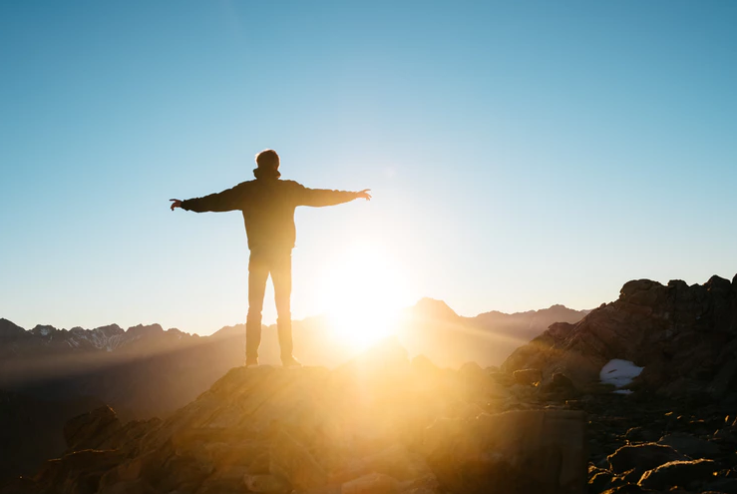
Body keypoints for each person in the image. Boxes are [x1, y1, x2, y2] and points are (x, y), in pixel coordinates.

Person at [170, 149, 371, 368]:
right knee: (283, 308)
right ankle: (287, 358)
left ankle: (251, 359)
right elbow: (321, 196)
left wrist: (185, 204)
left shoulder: (247, 190)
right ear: (277, 166)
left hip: (258, 256)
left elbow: (215, 201)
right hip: (282, 256)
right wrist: (353, 195)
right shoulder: (288, 189)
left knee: (255, 308)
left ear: (258, 165)